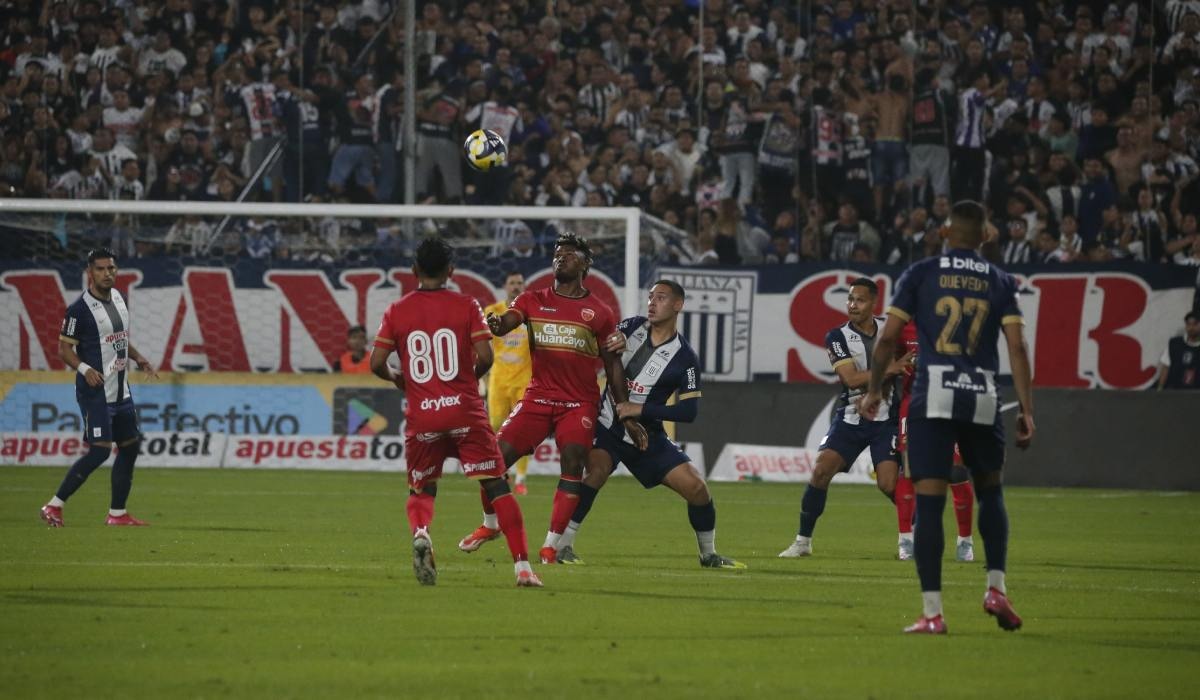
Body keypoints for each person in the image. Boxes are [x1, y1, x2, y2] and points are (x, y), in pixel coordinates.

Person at [860, 200, 1035, 635]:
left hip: (933, 394)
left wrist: (875, 388)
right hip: (982, 393)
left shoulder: (919, 274)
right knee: (990, 491)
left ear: (944, 232)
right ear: (986, 236)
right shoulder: (1000, 280)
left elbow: (887, 340)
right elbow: (1017, 348)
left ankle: (933, 613)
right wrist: (1028, 409)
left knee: (930, 499)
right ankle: (996, 587)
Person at [458, 232, 648, 564]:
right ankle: (490, 525)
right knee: (492, 461)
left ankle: (550, 545)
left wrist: (626, 414)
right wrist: (497, 323)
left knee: (573, 462)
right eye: (557, 254)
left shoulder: (599, 312)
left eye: (570, 254)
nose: (561, 258)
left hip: (578, 403)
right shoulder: (532, 299)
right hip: (538, 398)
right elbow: (507, 323)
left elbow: (613, 366)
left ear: (585, 263)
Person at [369, 237, 541, 588]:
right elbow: (487, 357)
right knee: (496, 484)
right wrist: (465, 381)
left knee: (422, 489)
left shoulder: (397, 310)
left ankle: (421, 533)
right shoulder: (467, 305)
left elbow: (375, 363)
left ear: (414, 271)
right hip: (464, 410)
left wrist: (402, 382)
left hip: (423, 414)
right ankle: (523, 567)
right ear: (450, 271)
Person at [552, 281, 745, 570]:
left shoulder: (685, 359)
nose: (652, 303)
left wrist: (639, 409)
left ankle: (709, 555)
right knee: (597, 470)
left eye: (662, 298)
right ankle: (562, 546)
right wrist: (608, 343)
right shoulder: (631, 327)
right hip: (607, 426)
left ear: (678, 305)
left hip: (648, 437)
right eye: (651, 297)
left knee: (697, 488)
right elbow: (601, 347)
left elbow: (688, 411)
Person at [778, 278, 913, 558]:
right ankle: (803, 541)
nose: (852, 305)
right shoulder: (837, 336)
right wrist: (891, 368)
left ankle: (912, 536)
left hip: (886, 419)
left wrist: (902, 368)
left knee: (889, 484)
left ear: (873, 303)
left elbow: (911, 358)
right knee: (821, 470)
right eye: (850, 299)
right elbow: (850, 379)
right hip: (851, 415)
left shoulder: (890, 330)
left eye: (859, 300)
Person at [40, 248, 158, 528]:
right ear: (89, 273)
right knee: (100, 451)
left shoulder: (120, 298)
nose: (107, 274)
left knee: (130, 447)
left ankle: (117, 514)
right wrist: (85, 369)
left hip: (121, 390)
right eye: (101, 269)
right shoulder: (78, 310)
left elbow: (118, 339)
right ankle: (53, 506)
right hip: (96, 392)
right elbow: (64, 350)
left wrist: (138, 357)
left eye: (111, 268)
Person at [893, 320, 976, 563]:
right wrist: (899, 365)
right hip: (914, 404)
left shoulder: (957, 325)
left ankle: (965, 542)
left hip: (948, 403)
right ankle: (905, 540)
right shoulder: (904, 327)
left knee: (956, 472)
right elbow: (887, 356)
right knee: (909, 470)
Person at [484, 271, 533, 494]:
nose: (515, 286)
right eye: (512, 282)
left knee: (522, 430)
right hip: (499, 380)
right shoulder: (492, 312)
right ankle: (499, 471)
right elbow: (483, 347)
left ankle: (521, 478)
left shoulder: (530, 313)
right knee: (495, 426)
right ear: (505, 286)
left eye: (519, 283)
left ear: (524, 286)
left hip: (524, 381)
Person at [1156, 311, 1200, 390]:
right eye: (1188, 324)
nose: (1191, 328)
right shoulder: (1174, 344)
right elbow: (1165, 368)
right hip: (1174, 392)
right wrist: (1160, 388)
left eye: (1195, 324)